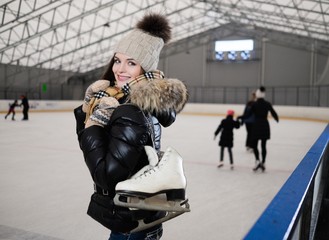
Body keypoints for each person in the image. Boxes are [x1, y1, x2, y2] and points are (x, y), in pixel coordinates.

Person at [74, 13, 188, 240]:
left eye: (132, 63)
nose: (120, 69)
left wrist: (94, 123)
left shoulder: (129, 110)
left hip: (132, 225)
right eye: (117, 60)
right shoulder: (130, 101)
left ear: (145, 69)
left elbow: (105, 176)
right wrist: (87, 112)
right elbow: (94, 147)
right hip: (139, 218)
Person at [241, 86, 279, 172]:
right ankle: (263, 162)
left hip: (256, 125)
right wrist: (277, 119)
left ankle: (257, 160)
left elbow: (248, 115)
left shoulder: (254, 104)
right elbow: (273, 112)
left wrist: (240, 117)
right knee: (263, 145)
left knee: (254, 145)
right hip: (265, 125)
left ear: (257, 95)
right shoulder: (267, 104)